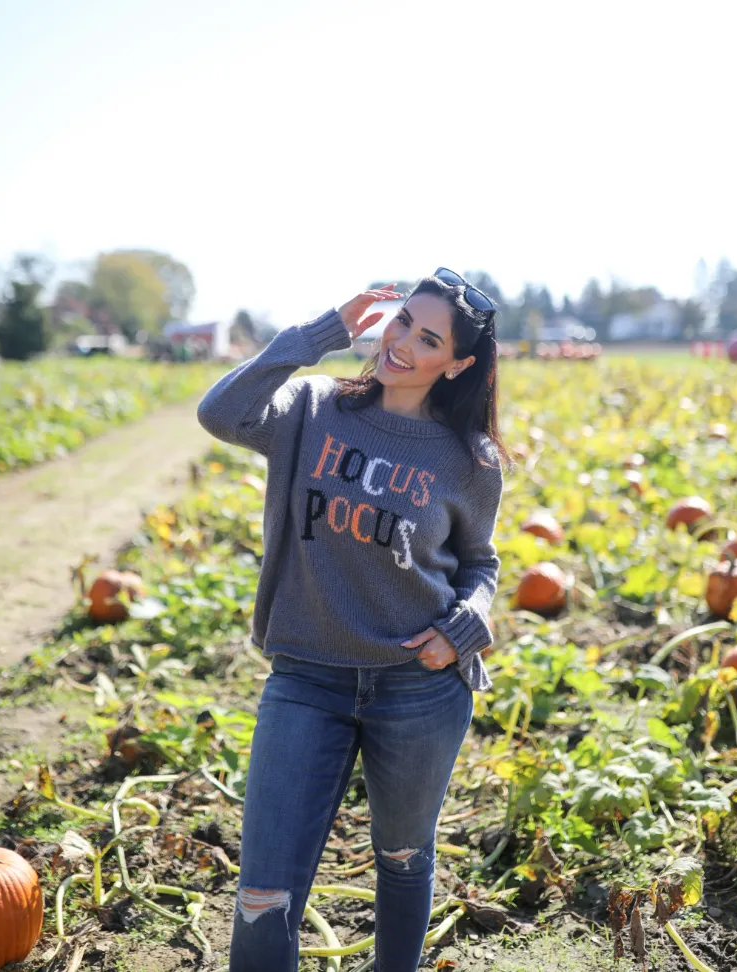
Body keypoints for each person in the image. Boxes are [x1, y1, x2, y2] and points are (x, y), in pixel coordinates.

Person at [196, 269, 511, 972]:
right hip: (306, 679)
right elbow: (221, 413)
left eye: (428, 337)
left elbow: (480, 563)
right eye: (402, 321)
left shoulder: (471, 460)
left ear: (456, 363)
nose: (402, 343)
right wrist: (321, 334)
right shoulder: (313, 409)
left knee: (403, 861)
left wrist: (464, 627)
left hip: (418, 688)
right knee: (262, 892)